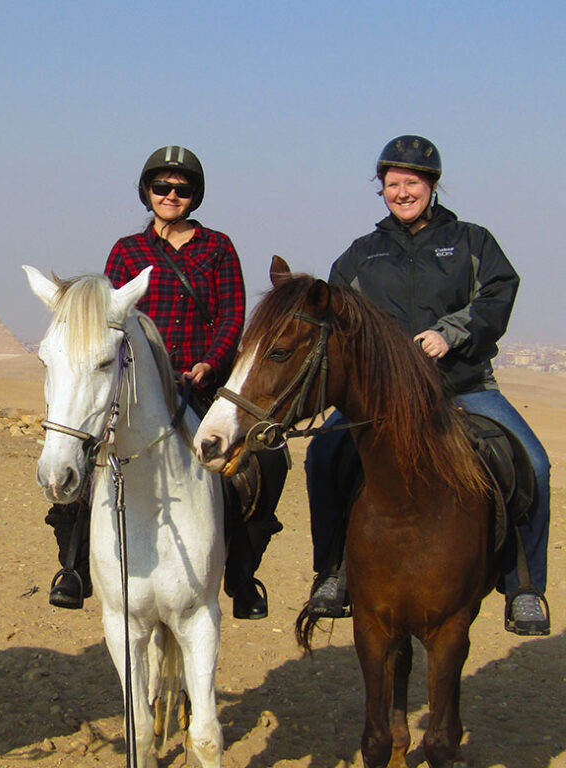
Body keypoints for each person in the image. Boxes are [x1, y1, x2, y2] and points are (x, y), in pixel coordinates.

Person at [304, 135, 551, 636]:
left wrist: (450, 333)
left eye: (412, 182)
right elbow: (337, 317)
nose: (401, 192)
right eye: (392, 183)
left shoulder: (471, 240)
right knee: (322, 456)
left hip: (462, 386)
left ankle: (524, 587)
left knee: (535, 465)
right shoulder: (361, 255)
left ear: (432, 185)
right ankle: (332, 572)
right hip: (381, 399)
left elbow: (499, 291)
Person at [46, 145, 288, 619]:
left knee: (268, 464)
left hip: (197, 386)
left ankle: (241, 573)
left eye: (181, 189)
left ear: (194, 196)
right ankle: (74, 569)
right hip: (137, 391)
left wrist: (210, 363)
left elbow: (231, 315)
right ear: (147, 192)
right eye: (162, 187)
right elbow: (107, 321)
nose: (170, 195)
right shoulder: (126, 251)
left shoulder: (217, 247)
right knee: (78, 461)